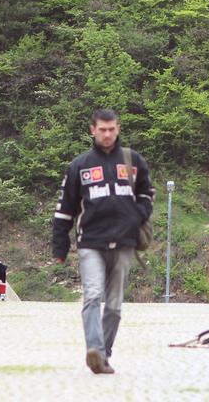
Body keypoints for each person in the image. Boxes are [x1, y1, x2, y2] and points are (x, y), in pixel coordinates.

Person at [52, 108, 155, 375]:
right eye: (102, 129)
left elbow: (147, 194)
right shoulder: (80, 165)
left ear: (118, 128)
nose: (107, 134)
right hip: (91, 242)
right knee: (93, 296)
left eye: (111, 129)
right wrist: (60, 246)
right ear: (92, 130)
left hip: (124, 241)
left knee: (114, 306)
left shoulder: (134, 161)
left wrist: (137, 216)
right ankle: (95, 350)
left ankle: (104, 354)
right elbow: (65, 208)